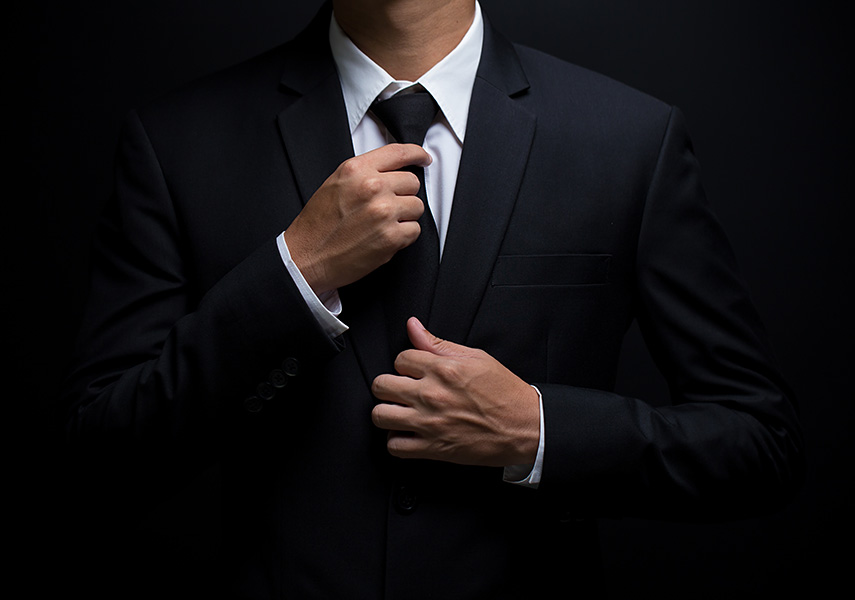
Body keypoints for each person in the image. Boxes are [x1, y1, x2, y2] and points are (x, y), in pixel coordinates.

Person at [62, 0, 803, 597]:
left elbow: (759, 444)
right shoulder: (178, 141)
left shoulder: (629, 139)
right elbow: (103, 455)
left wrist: (541, 433)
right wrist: (295, 271)